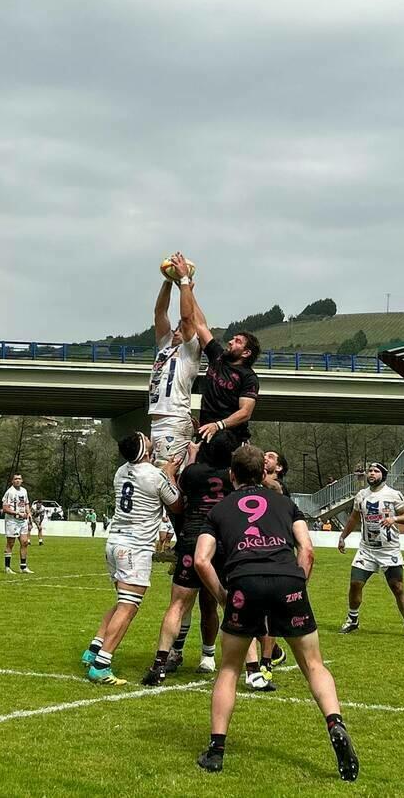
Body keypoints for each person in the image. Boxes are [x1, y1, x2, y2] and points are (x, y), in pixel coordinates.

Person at [192, 445, 358, 781]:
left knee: (229, 668)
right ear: (264, 473)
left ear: (232, 475)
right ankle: (335, 723)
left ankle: (216, 750)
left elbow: (200, 560)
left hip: (244, 583)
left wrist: (223, 597)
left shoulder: (220, 508)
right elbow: (307, 551)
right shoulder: (286, 504)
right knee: (313, 664)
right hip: (287, 579)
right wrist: (297, 588)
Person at [81, 434, 181, 685]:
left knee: (121, 603)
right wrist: (170, 473)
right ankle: (102, 664)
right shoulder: (155, 476)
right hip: (135, 549)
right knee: (128, 607)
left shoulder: (120, 472)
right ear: (144, 451)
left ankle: (93, 649)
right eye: (145, 439)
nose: (148, 437)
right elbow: (177, 505)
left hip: (115, 542)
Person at [143, 432, 239, 686]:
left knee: (178, 605)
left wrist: (190, 456)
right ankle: (220, 659)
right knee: (219, 603)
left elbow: (177, 488)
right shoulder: (233, 475)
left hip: (191, 542)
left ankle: (160, 663)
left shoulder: (193, 473)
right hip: (220, 545)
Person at [171, 253, 260, 447]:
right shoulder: (218, 356)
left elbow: (245, 412)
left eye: (237, 341)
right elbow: (201, 325)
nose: (230, 342)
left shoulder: (248, 377)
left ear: (246, 353)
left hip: (232, 439)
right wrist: (186, 289)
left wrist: (218, 425)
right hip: (206, 434)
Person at [336, 462, 404, 640]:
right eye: (370, 471)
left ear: (383, 475)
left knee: (397, 587)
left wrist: (394, 518)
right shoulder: (361, 495)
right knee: (355, 584)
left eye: (376, 471)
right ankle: (352, 619)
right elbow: (353, 518)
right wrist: (343, 537)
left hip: (389, 550)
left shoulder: (393, 494)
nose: (371, 474)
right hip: (366, 549)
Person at [148, 271, 202, 466]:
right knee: (160, 479)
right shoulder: (166, 345)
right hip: (158, 422)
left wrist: (185, 282)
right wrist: (168, 280)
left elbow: (187, 318)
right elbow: (159, 312)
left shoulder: (190, 351)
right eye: (176, 328)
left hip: (174, 421)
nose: (177, 331)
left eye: (180, 329)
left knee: (168, 477)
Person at [1, 474, 33, 574]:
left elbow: (26, 503)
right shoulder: (9, 492)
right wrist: (17, 513)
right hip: (12, 521)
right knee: (11, 543)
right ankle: (7, 567)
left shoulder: (24, 491)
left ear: (22, 480)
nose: (17, 480)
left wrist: (28, 513)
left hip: (22, 521)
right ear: (12, 481)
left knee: (24, 542)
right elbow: (5, 508)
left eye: (19, 479)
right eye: (15, 479)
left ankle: (23, 567)